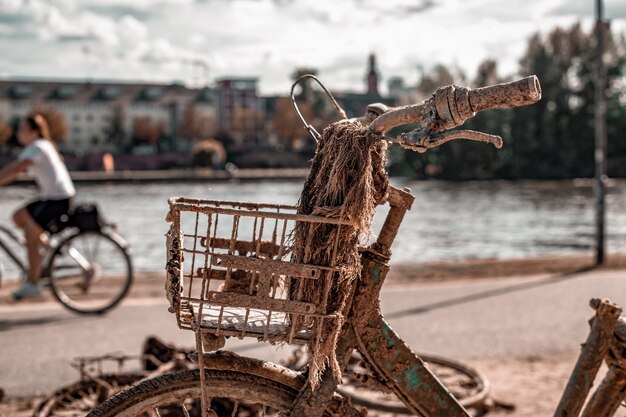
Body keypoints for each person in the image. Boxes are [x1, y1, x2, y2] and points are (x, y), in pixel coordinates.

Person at [0, 114, 75, 299]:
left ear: (34, 131)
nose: (19, 133)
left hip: (56, 200)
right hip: (55, 197)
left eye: (22, 129)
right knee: (19, 216)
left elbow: (17, 168)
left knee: (30, 236)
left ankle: (34, 283)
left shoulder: (38, 146)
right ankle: (45, 245)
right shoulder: (42, 145)